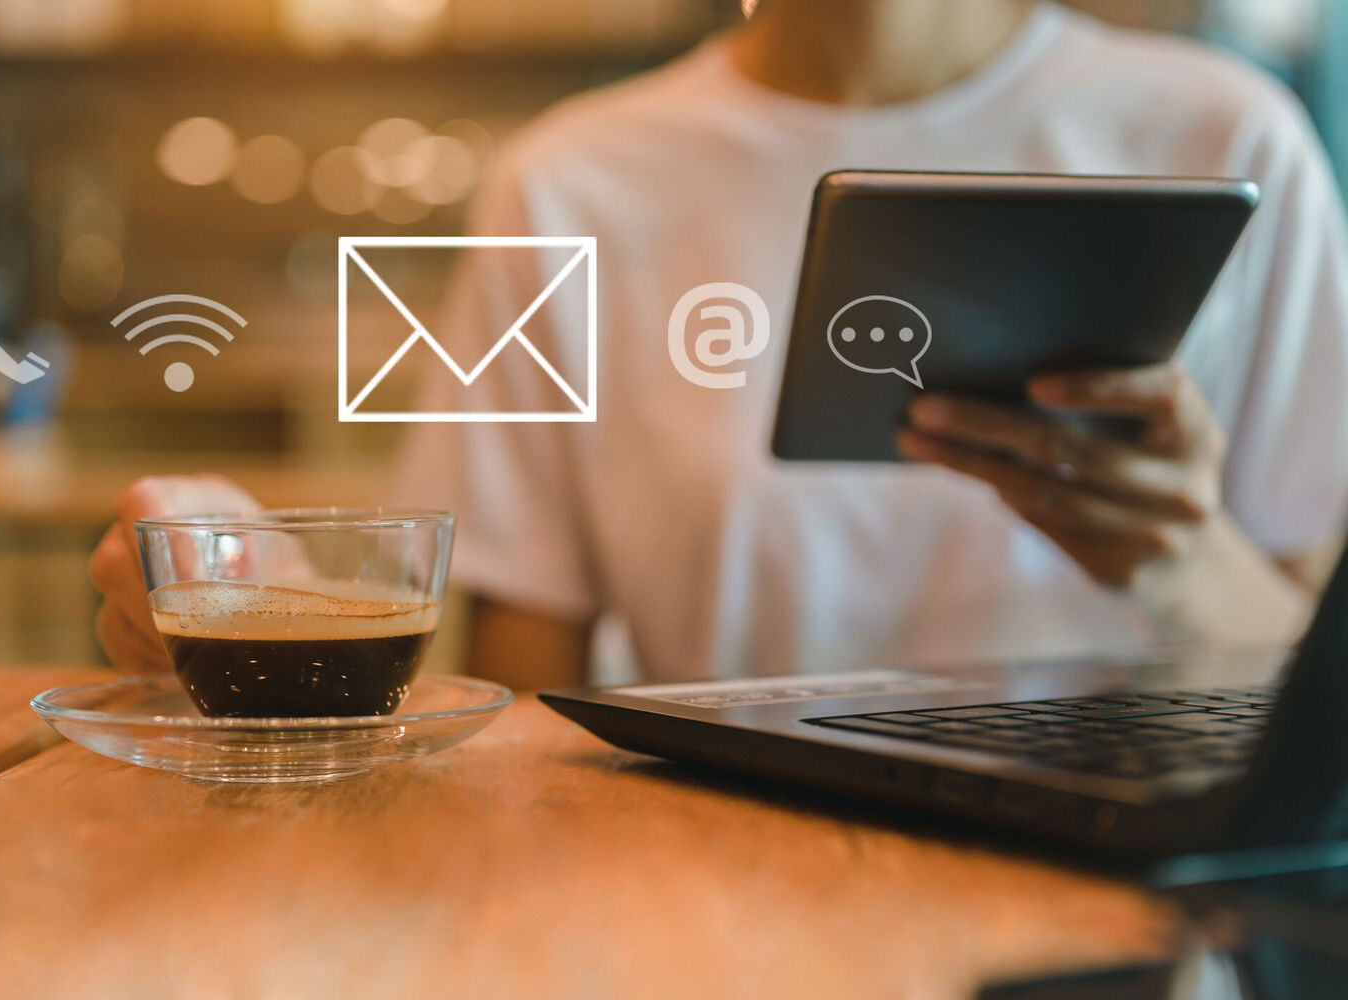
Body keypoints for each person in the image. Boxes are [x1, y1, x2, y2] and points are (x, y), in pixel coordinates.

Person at [91, 0, 1348, 692]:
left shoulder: (1231, 142)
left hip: (1142, 898)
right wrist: (267, 608)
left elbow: (1308, 667)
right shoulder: (569, 184)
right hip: (709, 897)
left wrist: (1181, 559)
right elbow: (525, 700)